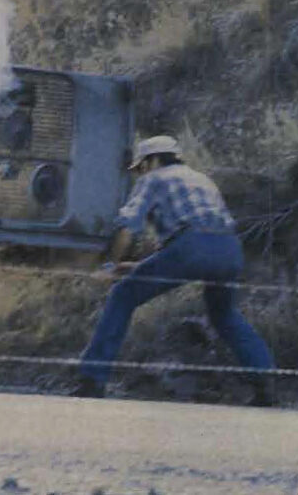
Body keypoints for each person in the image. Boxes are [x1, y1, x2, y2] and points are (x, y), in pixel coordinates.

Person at [73, 135, 276, 406]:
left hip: (191, 248)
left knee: (122, 295)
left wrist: (111, 266)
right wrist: (137, 267)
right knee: (223, 313)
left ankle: (92, 380)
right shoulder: (202, 179)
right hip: (229, 249)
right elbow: (197, 235)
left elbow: (128, 226)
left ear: (153, 160)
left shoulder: (154, 179)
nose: (139, 174)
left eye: (141, 167)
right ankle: (264, 381)